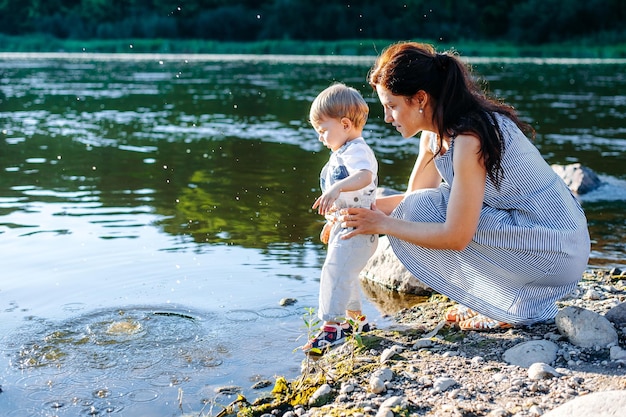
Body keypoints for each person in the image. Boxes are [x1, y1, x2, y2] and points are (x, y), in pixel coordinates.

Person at [341, 42, 590, 330]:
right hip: (538, 236)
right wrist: (351, 211)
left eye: (392, 106)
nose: (386, 118)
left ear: (420, 98)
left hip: (557, 248)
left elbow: (456, 235)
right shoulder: (434, 136)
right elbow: (413, 199)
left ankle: (508, 306)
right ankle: (511, 302)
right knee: (422, 205)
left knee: (424, 211)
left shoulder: (469, 138)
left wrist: (381, 224)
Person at [302, 83, 379, 354]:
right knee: (345, 274)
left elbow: (365, 177)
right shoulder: (342, 153)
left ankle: (333, 328)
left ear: (345, 124)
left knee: (335, 273)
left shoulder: (357, 151)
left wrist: (336, 187)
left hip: (358, 229)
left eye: (324, 130)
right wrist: (331, 222)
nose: (321, 138)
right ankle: (356, 321)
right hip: (346, 226)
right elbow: (348, 198)